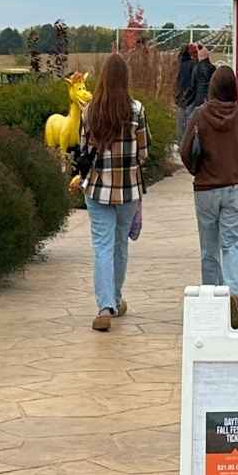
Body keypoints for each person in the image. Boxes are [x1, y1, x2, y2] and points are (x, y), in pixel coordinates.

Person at [79, 52, 150, 332]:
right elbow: (143, 153)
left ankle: (104, 306)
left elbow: (83, 149)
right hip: (128, 189)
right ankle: (116, 299)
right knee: (120, 243)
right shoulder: (137, 110)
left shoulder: (89, 111)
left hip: (97, 188)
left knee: (102, 246)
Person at [181, 65, 238, 329]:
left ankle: (212, 299)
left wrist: (197, 171)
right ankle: (232, 292)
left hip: (206, 188)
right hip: (234, 186)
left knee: (209, 248)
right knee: (232, 245)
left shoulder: (200, 115)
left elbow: (185, 150)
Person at [175, 43, 204, 139]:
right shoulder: (194, 65)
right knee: (190, 127)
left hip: (181, 98)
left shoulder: (180, 65)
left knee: (181, 128)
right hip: (191, 99)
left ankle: (181, 145)